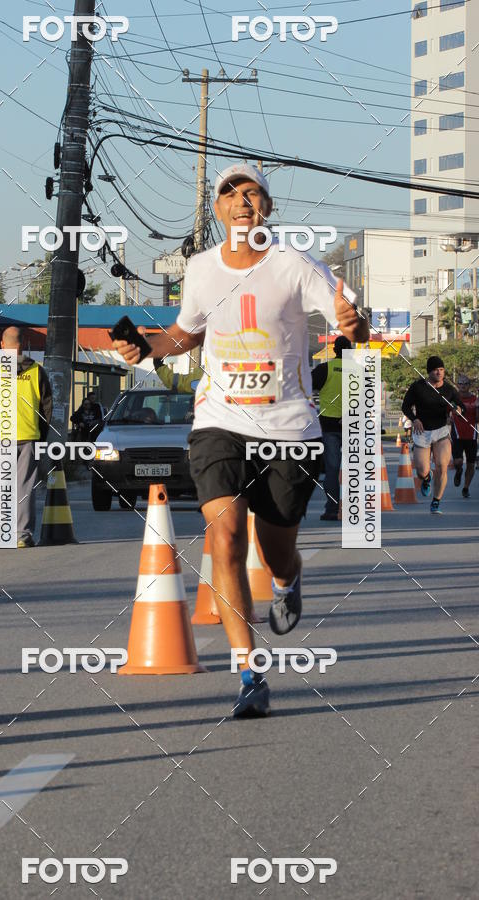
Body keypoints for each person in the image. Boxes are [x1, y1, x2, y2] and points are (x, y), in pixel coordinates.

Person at [112, 162, 368, 718]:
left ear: (267, 209)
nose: (243, 203)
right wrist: (148, 349)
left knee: (276, 548)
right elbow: (186, 332)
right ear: (219, 210)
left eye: (253, 195)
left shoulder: (296, 265)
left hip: (288, 427)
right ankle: (251, 672)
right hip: (218, 420)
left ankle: (286, 578)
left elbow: (354, 326)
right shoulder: (201, 269)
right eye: (231, 195)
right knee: (224, 535)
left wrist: (354, 323)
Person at [0, 327, 52, 547]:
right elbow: (47, 408)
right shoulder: (37, 371)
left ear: (2, 345)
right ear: (23, 344)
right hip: (28, 438)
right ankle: (21, 536)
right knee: (24, 488)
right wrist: (40, 437)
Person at [401, 355, 464, 515]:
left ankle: (436, 501)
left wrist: (458, 410)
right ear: (429, 371)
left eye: (441, 370)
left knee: (442, 466)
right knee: (422, 470)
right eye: (436, 370)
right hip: (422, 432)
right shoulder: (418, 387)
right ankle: (426, 479)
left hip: (441, 431)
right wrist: (414, 419)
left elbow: (460, 404)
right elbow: (405, 406)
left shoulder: (449, 389)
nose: (439, 372)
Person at [311, 335, 352, 521]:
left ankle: (332, 509)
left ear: (334, 351)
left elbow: (306, 387)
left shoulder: (324, 369)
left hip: (328, 425)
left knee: (332, 469)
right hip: (353, 424)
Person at [450, 374, 478, 498]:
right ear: (457, 385)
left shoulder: (474, 399)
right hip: (457, 435)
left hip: (471, 435)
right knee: (458, 461)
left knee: (471, 464)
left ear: (469, 385)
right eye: (460, 383)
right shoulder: (452, 399)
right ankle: (459, 471)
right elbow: (445, 415)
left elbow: (477, 419)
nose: (462, 386)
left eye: (465, 383)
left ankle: (466, 488)